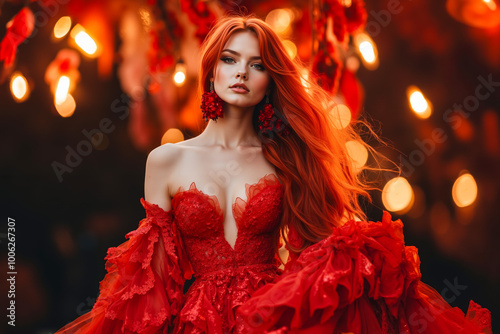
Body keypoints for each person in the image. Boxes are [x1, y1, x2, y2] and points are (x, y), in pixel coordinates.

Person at [55, 14, 491, 334]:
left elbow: (314, 255)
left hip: (273, 318)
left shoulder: (285, 158)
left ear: (270, 80)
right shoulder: (166, 160)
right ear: (212, 69)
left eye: (257, 64)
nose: (242, 72)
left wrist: (360, 256)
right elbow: (152, 280)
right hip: (195, 324)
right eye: (230, 59)